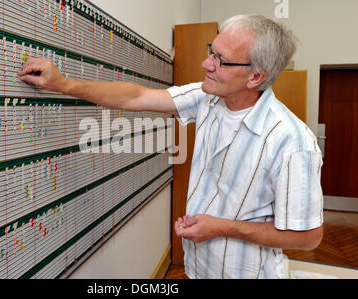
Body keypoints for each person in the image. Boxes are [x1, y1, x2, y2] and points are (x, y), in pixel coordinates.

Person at [19, 15, 324, 279]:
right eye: (211, 51)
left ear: (255, 76)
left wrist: (224, 228)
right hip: (198, 266)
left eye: (220, 59)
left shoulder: (292, 142)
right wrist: (63, 84)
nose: (207, 63)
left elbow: (308, 237)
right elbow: (136, 97)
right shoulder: (209, 97)